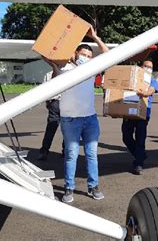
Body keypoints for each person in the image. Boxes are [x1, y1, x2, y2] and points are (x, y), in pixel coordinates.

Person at [45, 27, 109, 203]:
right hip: (70, 120)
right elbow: (54, 71)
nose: (86, 58)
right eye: (83, 55)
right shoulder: (64, 68)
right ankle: (68, 188)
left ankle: (93, 186)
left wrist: (95, 36)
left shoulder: (91, 69)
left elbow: (108, 54)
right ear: (75, 54)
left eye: (89, 56)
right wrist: (53, 62)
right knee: (71, 154)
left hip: (90, 119)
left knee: (91, 154)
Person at [122, 60, 158, 175]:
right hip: (129, 113)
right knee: (126, 137)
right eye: (146, 66)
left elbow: (151, 91)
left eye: (150, 67)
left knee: (140, 139)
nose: (148, 69)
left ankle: (139, 164)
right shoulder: (133, 79)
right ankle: (141, 155)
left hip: (143, 114)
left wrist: (145, 93)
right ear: (141, 67)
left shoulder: (152, 81)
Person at [37, 70, 64, 160]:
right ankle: (66, 151)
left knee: (50, 129)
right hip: (68, 103)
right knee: (68, 130)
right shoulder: (71, 71)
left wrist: (48, 102)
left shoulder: (48, 74)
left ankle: (44, 151)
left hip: (54, 103)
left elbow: (45, 90)